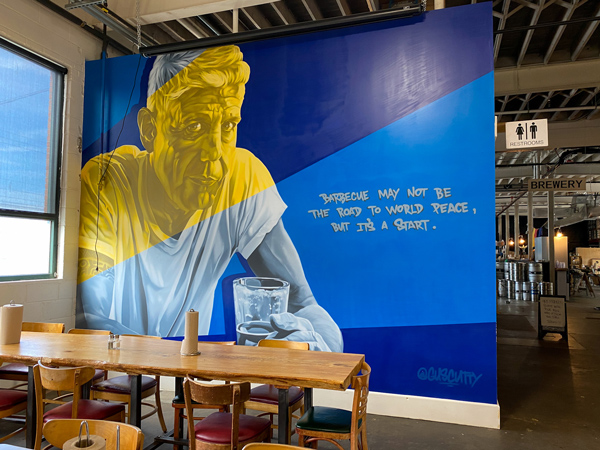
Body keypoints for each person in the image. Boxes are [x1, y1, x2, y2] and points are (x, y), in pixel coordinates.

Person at [77, 46, 343, 352]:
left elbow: (303, 302)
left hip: (187, 376)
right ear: (150, 129)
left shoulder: (241, 179)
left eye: (228, 125)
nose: (214, 152)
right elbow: (91, 319)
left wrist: (316, 344)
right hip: (126, 377)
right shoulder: (108, 181)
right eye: (194, 126)